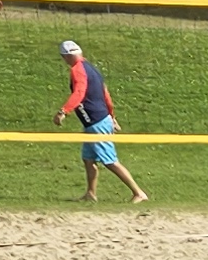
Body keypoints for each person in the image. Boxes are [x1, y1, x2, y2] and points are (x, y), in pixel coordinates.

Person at [60, 37, 145, 204]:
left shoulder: (77, 70)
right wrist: (112, 116)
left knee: (110, 161)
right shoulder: (91, 68)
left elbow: (79, 93)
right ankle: (91, 194)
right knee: (88, 158)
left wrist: (63, 111)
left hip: (96, 122)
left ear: (66, 57)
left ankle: (139, 193)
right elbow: (105, 94)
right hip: (95, 121)